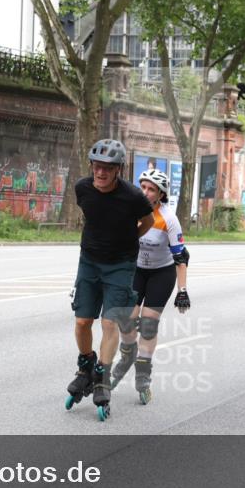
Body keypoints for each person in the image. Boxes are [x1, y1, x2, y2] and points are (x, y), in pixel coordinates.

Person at [65, 139, 155, 421]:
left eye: (107, 168)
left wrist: (129, 239)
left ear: (118, 170)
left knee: (109, 322)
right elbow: (93, 216)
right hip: (89, 261)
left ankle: (102, 376)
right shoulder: (82, 188)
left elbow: (148, 221)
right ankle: (86, 365)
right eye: (97, 167)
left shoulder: (133, 197)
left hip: (121, 265)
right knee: (82, 321)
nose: (100, 173)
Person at [110, 169, 190, 405]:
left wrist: (182, 291)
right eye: (142, 186)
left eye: (151, 189)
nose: (145, 192)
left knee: (147, 325)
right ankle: (126, 357)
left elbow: (181, 257)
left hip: (161, 274)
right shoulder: (131, 210)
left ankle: (143, 375)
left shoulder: (169, 219)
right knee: (126, 322)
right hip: (136, 271)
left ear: (161, 194)